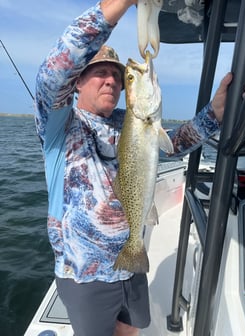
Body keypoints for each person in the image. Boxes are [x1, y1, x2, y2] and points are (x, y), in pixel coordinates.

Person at [35, 1, 233, 335]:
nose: (111, 80)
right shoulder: (59, 124)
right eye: (100, 72)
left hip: (132, 262)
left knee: (131, 332)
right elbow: (55, 70)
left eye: (117, 76)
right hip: (86, 276)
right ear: (77, 83)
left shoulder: (128, 121)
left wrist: (214, 113)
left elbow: (176, 142)